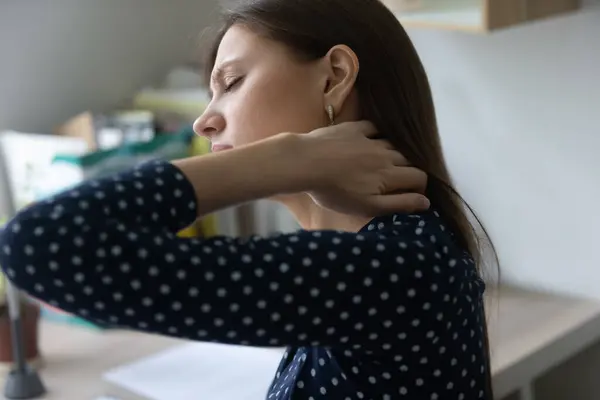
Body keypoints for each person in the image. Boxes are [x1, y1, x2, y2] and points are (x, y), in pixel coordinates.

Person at [0, 0, 498, 398]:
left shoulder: (394, 266)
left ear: (335, 76)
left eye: (231, 83)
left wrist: (287, 158)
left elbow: (41, 243)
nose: (204, 121)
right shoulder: (377, 259)